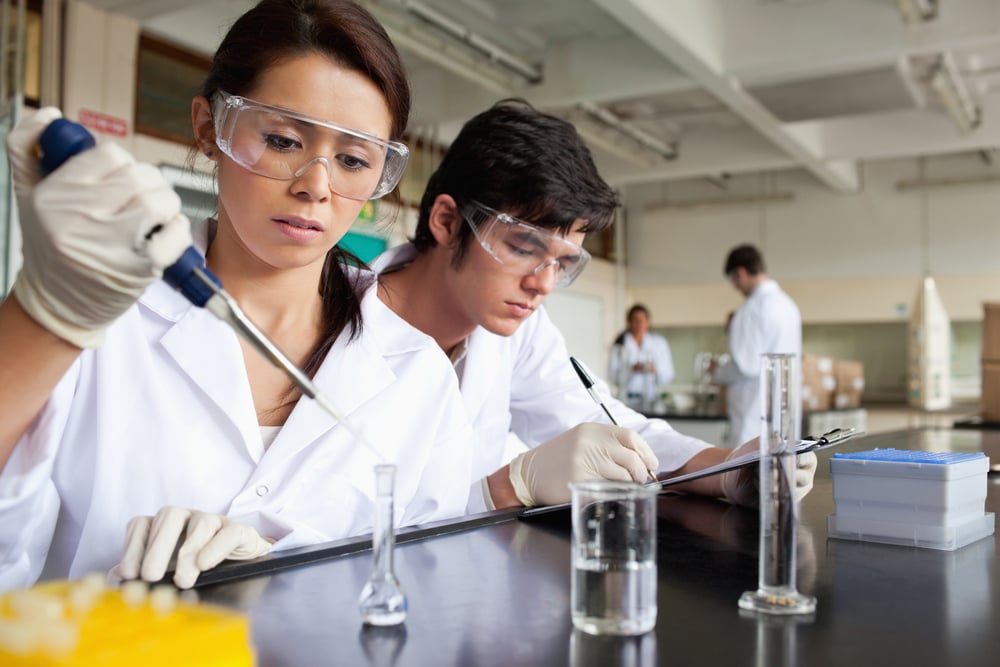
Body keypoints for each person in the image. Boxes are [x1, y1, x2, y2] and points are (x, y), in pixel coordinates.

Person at [0, 0, 477, 591]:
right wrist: (40, 318)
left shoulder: (417, 377)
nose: (316, 187)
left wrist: (284, 568)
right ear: (210, 128)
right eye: (281, 140)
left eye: (353, 159)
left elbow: (434, 593)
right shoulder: (98, 319)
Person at [372, 100, 817, 512]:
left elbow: (607, 426)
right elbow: (338, 534)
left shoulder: (516, 328)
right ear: (448, 222)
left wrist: (727, 470)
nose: (542, 283)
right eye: (524, 247)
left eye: (563, 263)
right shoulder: (338, 332)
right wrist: (509, 488)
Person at [712, 244, 802, 448]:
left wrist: (718, 372)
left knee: (748, 476)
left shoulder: (751, 310)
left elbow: (746, 367)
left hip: (754, 418)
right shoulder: (788, 305)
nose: (736, 288)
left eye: (734, 281)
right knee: (783, 474)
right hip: (783, 415)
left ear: (741, 273)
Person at [608, 304, 674, 411]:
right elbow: (612, 376)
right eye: (635, 320)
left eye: (642, 320)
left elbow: (668, 375)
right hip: (626, 400)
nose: (639, 324)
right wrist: (630, 369)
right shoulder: (620, 344)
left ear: (648, 322)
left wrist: (654, 370)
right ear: (629, 322)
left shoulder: (659, 343)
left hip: (651, 400)